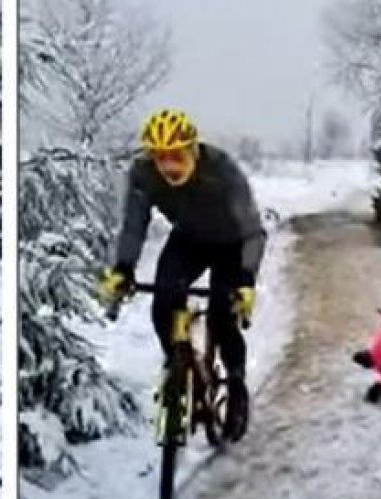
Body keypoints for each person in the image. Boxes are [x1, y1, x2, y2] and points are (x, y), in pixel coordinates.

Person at [99, 109, 267, 443]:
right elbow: (133, 225)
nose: (169, 167)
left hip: (233, 242)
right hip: (190, 238)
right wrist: (124, 268)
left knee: (222, 314)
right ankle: (178, 363)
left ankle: (235, 385)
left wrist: (246, 280)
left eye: (177, 157)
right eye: (160, 158)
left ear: (193, 150)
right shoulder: (143, 174)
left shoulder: (222, 171)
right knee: (163, 301)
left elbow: (252, 232)